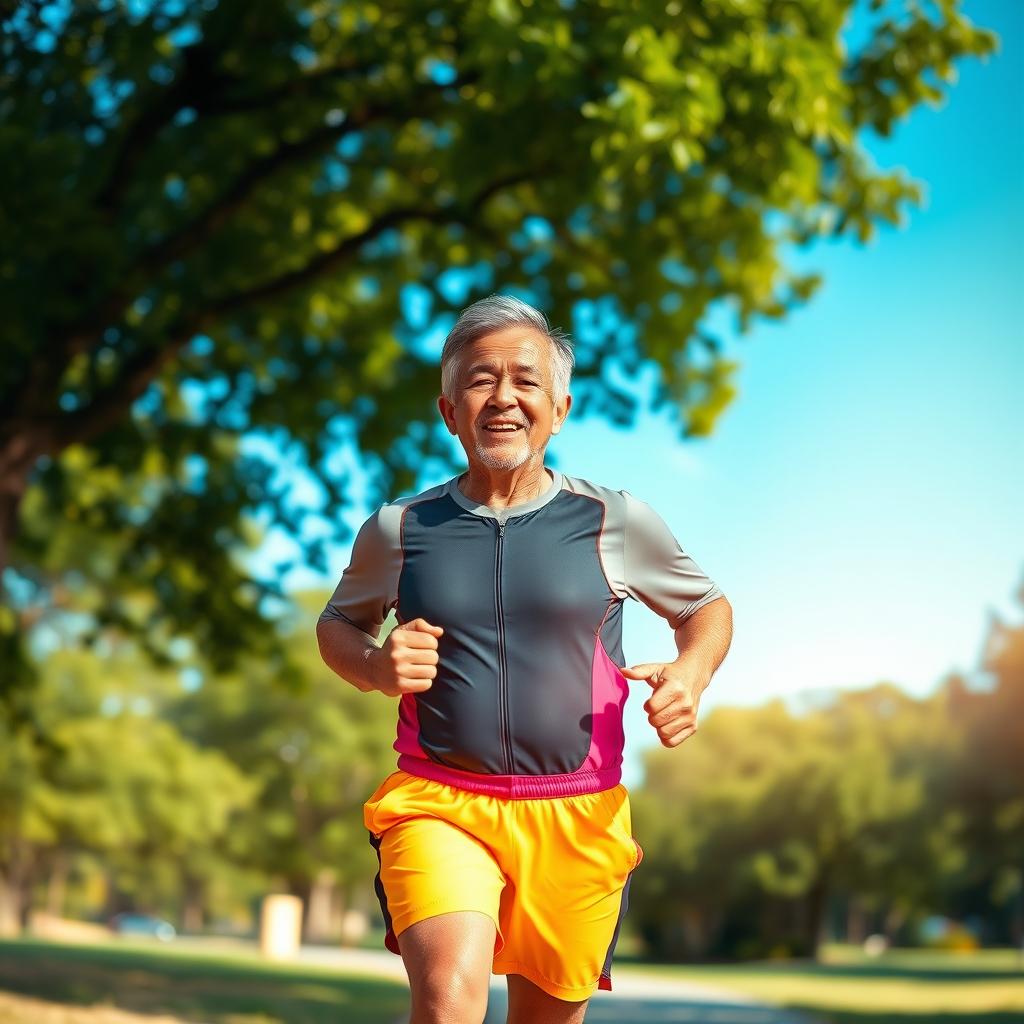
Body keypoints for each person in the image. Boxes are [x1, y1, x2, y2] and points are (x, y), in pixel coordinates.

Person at [316, 294, 733, 1024]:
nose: (502, 397)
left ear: (560, 408)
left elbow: (706, 609)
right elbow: (337, 624)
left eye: (525, 380)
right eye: (480, 379)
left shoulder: (615, 521)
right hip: (441, 803)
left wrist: (691, 673)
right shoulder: (399, 530)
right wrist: (377, 667)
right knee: (447, 999)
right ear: (449, 411)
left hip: (578, 815)